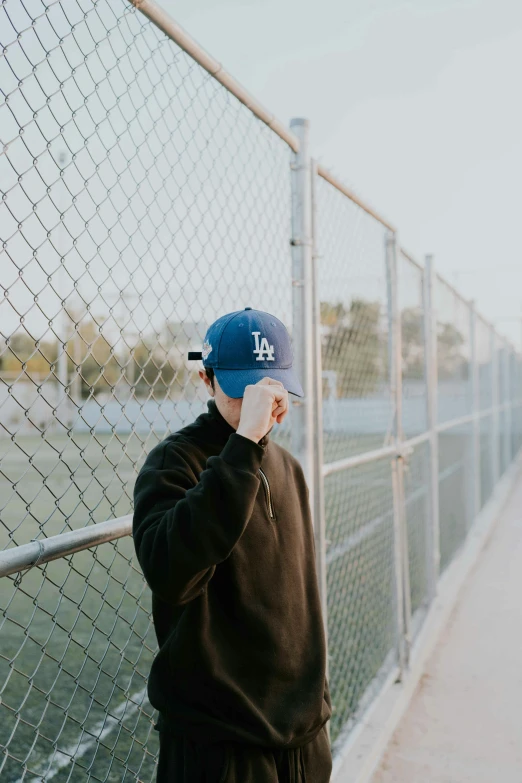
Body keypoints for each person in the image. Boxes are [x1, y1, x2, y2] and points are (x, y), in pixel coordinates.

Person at [132, 307, 332, 782]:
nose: (262, 401)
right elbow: (170, 571)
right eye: (244, 387)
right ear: (207, 378)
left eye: (271, 385)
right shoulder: (174, 461)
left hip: (303, 737)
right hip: (221, 745)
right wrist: (242, 445)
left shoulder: (289, 466)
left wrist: (316, 706)